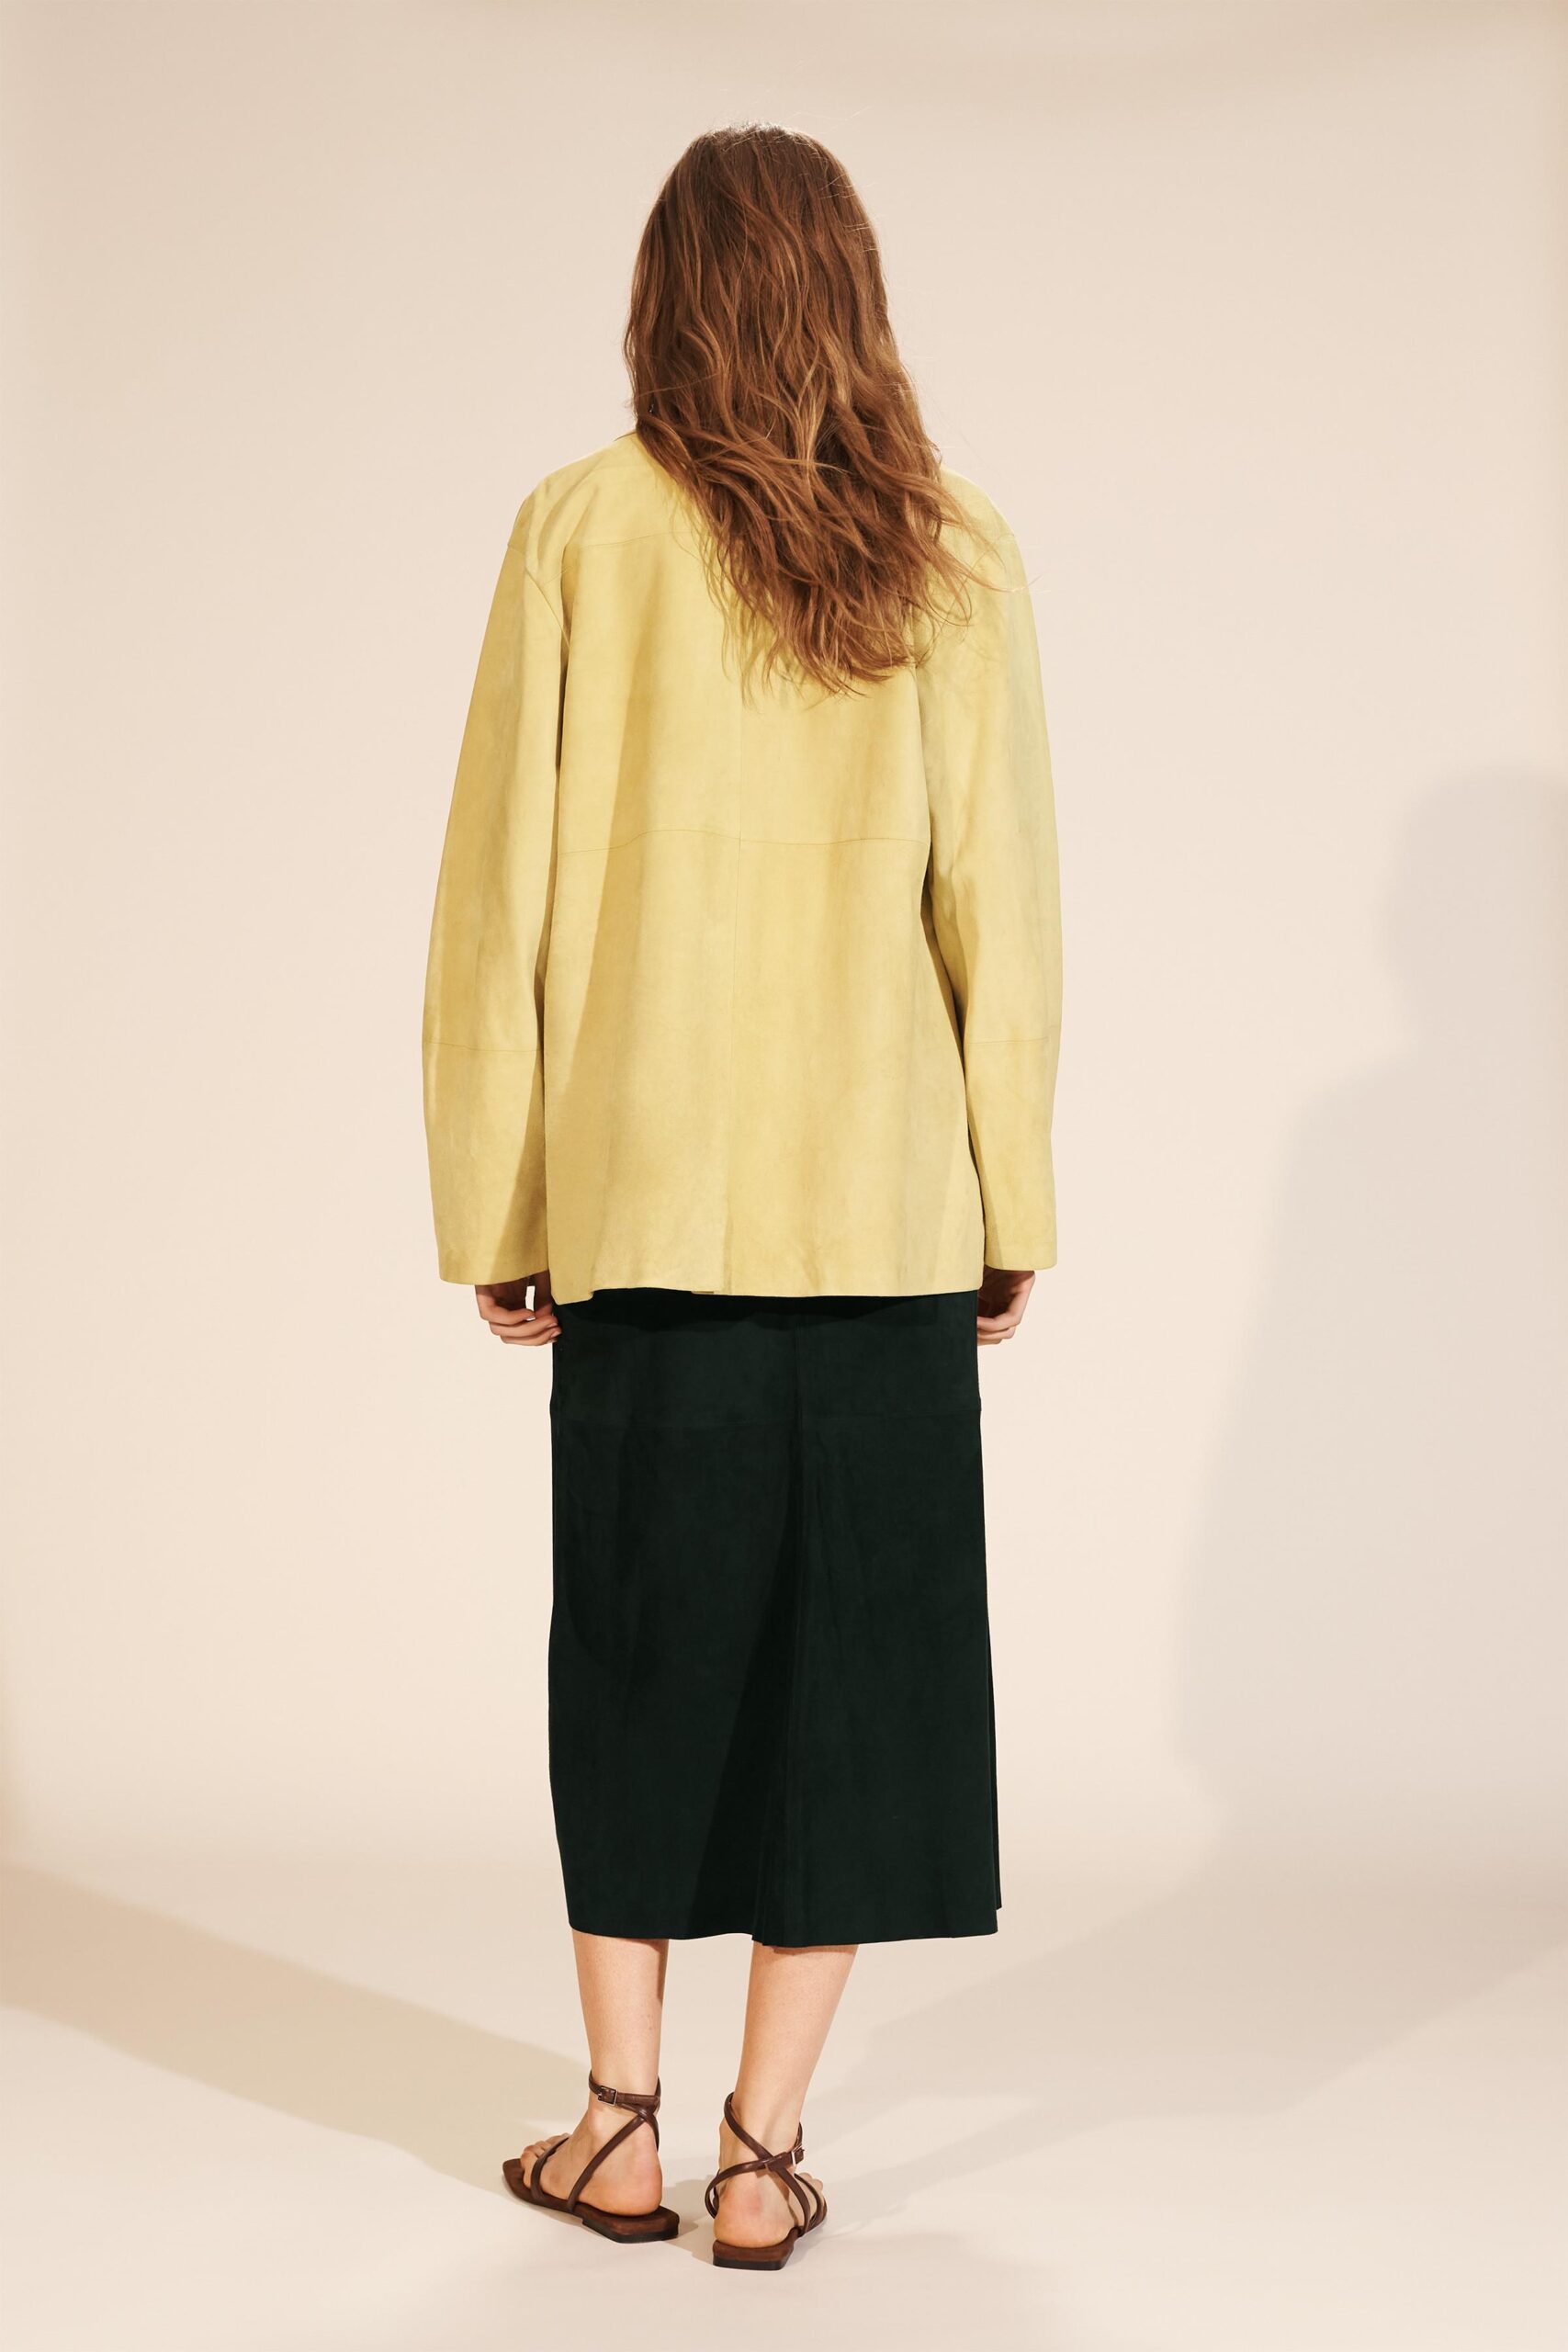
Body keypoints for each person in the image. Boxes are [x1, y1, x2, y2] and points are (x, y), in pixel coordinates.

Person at [422, 121, 1062, 2272]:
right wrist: (1006, 1187)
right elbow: (1000, 906)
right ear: (851, 296)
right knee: (853, 1684)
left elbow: (494, 898)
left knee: (634, 1656)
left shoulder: (578, 527)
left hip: (646, 1208)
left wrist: (499, 1194)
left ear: (662, 295)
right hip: (878, 1210)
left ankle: (616, 2124)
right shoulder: (951, 546)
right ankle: (764, 2150)